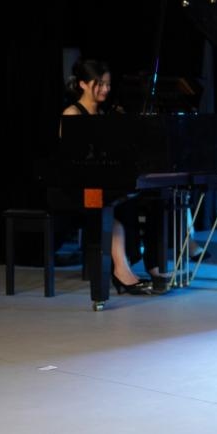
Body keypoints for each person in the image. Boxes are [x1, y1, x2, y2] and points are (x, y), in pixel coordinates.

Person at [61, 58, 153, 296]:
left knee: (131, 202)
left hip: (99, 182)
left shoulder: (104, 113)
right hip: (77, 187)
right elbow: (72, 160)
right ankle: (122, 271)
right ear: (83, 84)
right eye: (99, 84)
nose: (105, 89)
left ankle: (133, 267)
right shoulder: (72, 114)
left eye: (107, 84)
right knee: (112, 210)